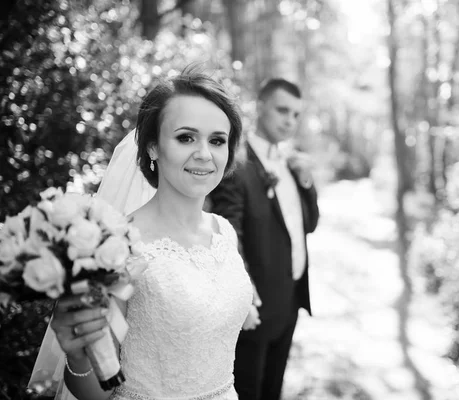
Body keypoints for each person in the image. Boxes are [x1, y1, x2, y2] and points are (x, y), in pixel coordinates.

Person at [29, 65, 253, 400]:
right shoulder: (119, 246)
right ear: (152, 148)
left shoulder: (223, 232)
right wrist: (78, 354)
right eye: (185, 137)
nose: (204, 154)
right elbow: (95, 391)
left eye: (217, 140)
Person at [210, 78, 319, 400]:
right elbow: (230, 234)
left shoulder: (291, 162)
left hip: (291, 301)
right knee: (248, 391)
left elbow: (309, 224)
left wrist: (307, 181)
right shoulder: (237, 166)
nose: (290, 120)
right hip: (254, 309)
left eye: (297, 114)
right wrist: (246, 296)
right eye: (282, 110)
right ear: (260, 108)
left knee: (274, 389)